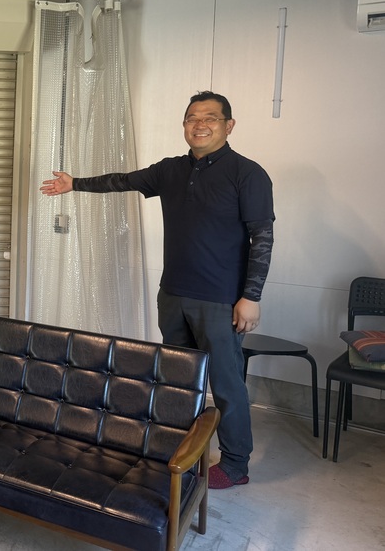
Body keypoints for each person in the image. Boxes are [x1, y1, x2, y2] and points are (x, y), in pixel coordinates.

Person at [40, 91, 274, 490]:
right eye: (192, 118)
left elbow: (262, 237)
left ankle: (236, 465)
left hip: (221, 300)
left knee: (227, 385)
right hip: (174, 294)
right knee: (179, 382)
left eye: (210, 118)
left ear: (228, 125)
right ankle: (181, 451)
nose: (200, 124)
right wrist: (74, 183)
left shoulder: (247, 173)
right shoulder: (170, 170)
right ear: (184, 125)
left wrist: (250, 297)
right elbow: (122, 180)